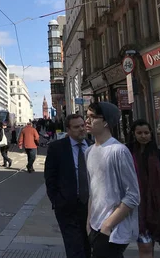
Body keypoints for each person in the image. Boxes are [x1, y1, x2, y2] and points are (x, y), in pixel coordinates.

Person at [86, 102, 140, 258]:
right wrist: (88, 223)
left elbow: (133, 195)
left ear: (106, 122)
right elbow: (93, 191)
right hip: (95, 226)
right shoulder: (89, 151)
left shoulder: (118, 151)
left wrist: (107, 226)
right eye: (87, 116)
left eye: (92, 117)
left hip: (113, 230)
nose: (87, 121)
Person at [44, 114, 91, 258]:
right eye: (77, 127)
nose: (81, 129)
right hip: (67, 206)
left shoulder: (93, 146)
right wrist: (57, 201)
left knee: (89, 245)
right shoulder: (57, 148)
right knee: (74, 248)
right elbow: (50, 178)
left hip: (91, 206)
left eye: (83, 126)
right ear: (68, 129)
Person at [128, 119, 160, 258]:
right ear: (133, 134)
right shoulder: (126, 152)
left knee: (148, 244)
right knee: (145, 245)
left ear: (151, 134)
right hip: (132, 206)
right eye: (139, 133)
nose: (143, 136)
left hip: (155, 206)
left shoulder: (159, 155)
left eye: (146, 133)